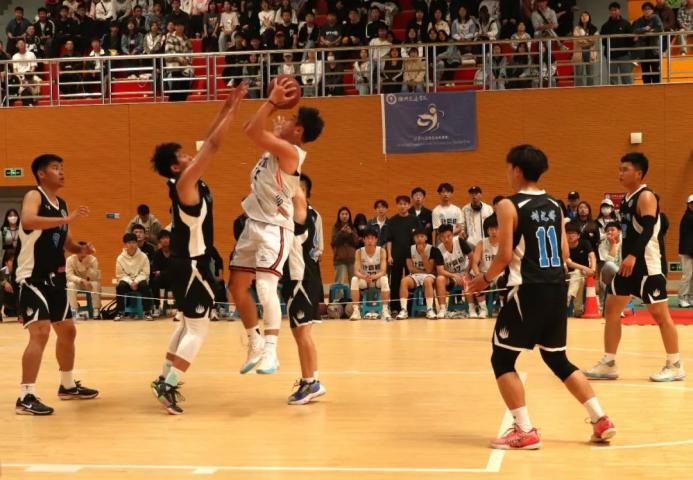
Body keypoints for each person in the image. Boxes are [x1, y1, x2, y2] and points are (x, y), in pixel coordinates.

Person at [467, 144, 615, 450]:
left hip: (528, 290)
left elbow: (504, 255)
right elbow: (563, 252)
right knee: (557, 358)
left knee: (502, 358)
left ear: (516, 170)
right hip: (555, 288)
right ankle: (600, 419)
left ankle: (524, 430)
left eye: (508, 168)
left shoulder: (508, 205)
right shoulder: (554, 205)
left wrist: (483, 280)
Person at [150, 85, 247, 414]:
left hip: (186, 263)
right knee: (197, 329)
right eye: (183, 156)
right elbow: (214, 145)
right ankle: (169, 385)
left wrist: (227, 107)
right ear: (175, 167)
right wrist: (235, 109)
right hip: (192, 265)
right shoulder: (185, 184)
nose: (190, 155)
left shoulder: (186, 179)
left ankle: (164, 376)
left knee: (185, 325)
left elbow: (207, 142)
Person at [229, 80, 324, 377]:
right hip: (253, 223)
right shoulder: (276, 147)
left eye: (291, 119)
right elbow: (251, 126)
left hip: (274, 228)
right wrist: (272, 114)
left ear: (298, 131)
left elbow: (251, 130)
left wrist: (272, 102)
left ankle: (271, 350)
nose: (285, 120)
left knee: (264, 286)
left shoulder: (291, 152)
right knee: (236, 286)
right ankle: (255, 340)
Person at [585, 153, 685, 382]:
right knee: (611, 310)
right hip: (627, 266)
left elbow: (648, 230)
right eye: (619, 169)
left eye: (625, 169)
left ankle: (675, 365)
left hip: (647, 266)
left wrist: (631, 255)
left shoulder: (646, 196)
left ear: (639, 173)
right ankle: (609, 363)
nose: (620, 173)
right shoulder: (627, 199)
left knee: (661, 316)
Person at [15, 154, 99, 416]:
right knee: (40, 332)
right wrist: (66, 220)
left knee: (68, 331)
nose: (61, 172)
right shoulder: (34, 195)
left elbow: (67, 243)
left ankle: (67, 385)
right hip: (32, 278)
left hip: (55, 278)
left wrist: (82, 249)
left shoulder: (61, 204)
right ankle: (25, 396)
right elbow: (28, 220)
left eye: (62, 168)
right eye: (55, 168)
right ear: (41, 174)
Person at [282, 178, 327, 404]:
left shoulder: (303, 215)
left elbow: (317, 249)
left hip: (302, 278)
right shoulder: (290, 212)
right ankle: (312, 379)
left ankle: (310, 383)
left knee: (302, 333)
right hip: (296, 279)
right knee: (301, 333)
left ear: (302, 191)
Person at [385, 195, 419, 314]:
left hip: (411, 257)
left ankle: (409, 308)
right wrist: (389, 255)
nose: (402, 206)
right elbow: (389, 240)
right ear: (397, 205)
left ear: (409, 205)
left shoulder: (414, 220)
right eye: (400, 204)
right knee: (395, 282)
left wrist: (417, 255)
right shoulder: (392, 221)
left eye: (405, 204)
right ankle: (395, 307)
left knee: (412, 281)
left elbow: (419, 239)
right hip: (396, 256)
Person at [431, 224, 473, 319]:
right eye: (443, 237)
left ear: (452, 234)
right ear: (439, 237)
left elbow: (472, 256)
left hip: (464, 272)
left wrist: (467, 271)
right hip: (450, 276)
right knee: (440, 279)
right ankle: (442, 309)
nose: (446, 239)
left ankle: (471, 308)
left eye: (448, 236)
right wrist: (453, 276)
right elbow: (440, 270)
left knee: (467, 278)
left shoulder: (459, 241)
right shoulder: (438, 249)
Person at [349, 228, 392, 321]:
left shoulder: (381, 251)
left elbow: (383, 271)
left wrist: (373, 277)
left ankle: (385, 310)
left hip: (377, 279)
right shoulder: (359, 252)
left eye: (372, 238)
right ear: (364, 240)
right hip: (365, 280)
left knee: (385, 279)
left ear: (376, 240)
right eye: (367, 238)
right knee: (354, 279)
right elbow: (356, 271)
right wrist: (364, 277)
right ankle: (356, 311)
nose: (370, 240)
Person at [396, 226, 437, 319]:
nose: (419, 239)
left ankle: (430, 310)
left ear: (426, 238)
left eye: (422, 236)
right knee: (404, 281)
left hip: (429, 276)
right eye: (417, 237)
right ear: (414, 239)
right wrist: (423, 271)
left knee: (427, 281)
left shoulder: (432, 249)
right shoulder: (409, 249)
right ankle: (404, 310)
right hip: (415, 275)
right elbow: (411, 268)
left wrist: (422, 254)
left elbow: (429, 269)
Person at [115, 233, 153, 320]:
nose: (131, 245)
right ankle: (120, 312)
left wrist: (136, 281)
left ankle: (147, 311)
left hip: (139, 281)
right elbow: (120, 275)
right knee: (120, 286)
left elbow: (145, 273)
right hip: (127, 282)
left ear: (137, 243)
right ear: (125, 244)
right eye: (129, 243)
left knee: (144, 285)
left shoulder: (143, 256)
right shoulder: (120, 258)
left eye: (133, 242)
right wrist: (130, 282)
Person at [469, 214, 500, 319]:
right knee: (477, 280)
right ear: (487, 230)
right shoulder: (481, 243)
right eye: (491, 229)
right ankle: (483, 309)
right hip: (484, 273)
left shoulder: (505, 242)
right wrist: (478, 275)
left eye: (496, 228)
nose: (493, 232)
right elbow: (474, 263)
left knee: (504, 281)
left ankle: (503, 307)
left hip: (500, 274)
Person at [565, 221, 596, 317]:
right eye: (568, 233)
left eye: (573, 233)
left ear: (578, 235)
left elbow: (592, 256)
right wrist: (585, 268)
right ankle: (578, 309)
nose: (570, 236)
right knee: (578, 274)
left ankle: (570, 296)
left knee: (578, 275)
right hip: (566, 274)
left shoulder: (585, 243)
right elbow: (568, 262)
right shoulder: (563, 246)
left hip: (582, 275)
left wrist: (593, 269)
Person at [66, 245, 102, 320]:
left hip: (89, 283)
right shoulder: (70, 260)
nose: (82, 254)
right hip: (77, 283)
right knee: (70, 285)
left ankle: (96, 310)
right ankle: (74, 310)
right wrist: (81, 280)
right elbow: (69, 275)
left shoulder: (93, 259)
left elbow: (96, 277)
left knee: (95, 284)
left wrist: (87, 266)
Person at [633, 2, 664, 84]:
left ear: (652, 10)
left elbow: (660, 29)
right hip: (643, 51)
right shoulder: (639, 20)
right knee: (645, 72)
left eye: (649, 9)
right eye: (645, 9)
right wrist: (645, 29)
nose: (647, 11)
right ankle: (646, 90)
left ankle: (657, 88)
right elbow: (635, 30)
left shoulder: (655, 18)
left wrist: (650, 31)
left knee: (655, 71)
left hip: (654, 50)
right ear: (642, 11)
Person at [330, 207, 359, 284]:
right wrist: (341, 232)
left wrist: (351, 233)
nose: (344, 216)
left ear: (349, 216)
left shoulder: (353, 228)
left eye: (346, 214)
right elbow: (333, 242)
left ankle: (353, 293)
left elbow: (357, 242)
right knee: (339, 283)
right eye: (342, 214)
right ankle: (339, 293)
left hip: (352, 259)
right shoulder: (335, 228)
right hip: (339, 259)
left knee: (354, 282)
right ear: (339, 216)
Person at [150, 229, 172, 317]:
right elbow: (155, 270)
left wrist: (161, 272)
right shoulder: (157, 254)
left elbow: (175, 270)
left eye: (167, 237)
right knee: (154, 281)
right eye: (163, 238)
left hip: (173, 279)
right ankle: (157, 306)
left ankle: (180, 308)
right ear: (159, 241)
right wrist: (164, 273)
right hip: (162, 280)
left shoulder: (175, 253)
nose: (165, 240)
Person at [679, 195, 693, 307]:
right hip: (687, 252)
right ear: (688, 205)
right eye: (692, 203)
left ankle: (690, 297)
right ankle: (682, 298)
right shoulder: (688, 217)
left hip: (691, 251)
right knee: (687, 276)